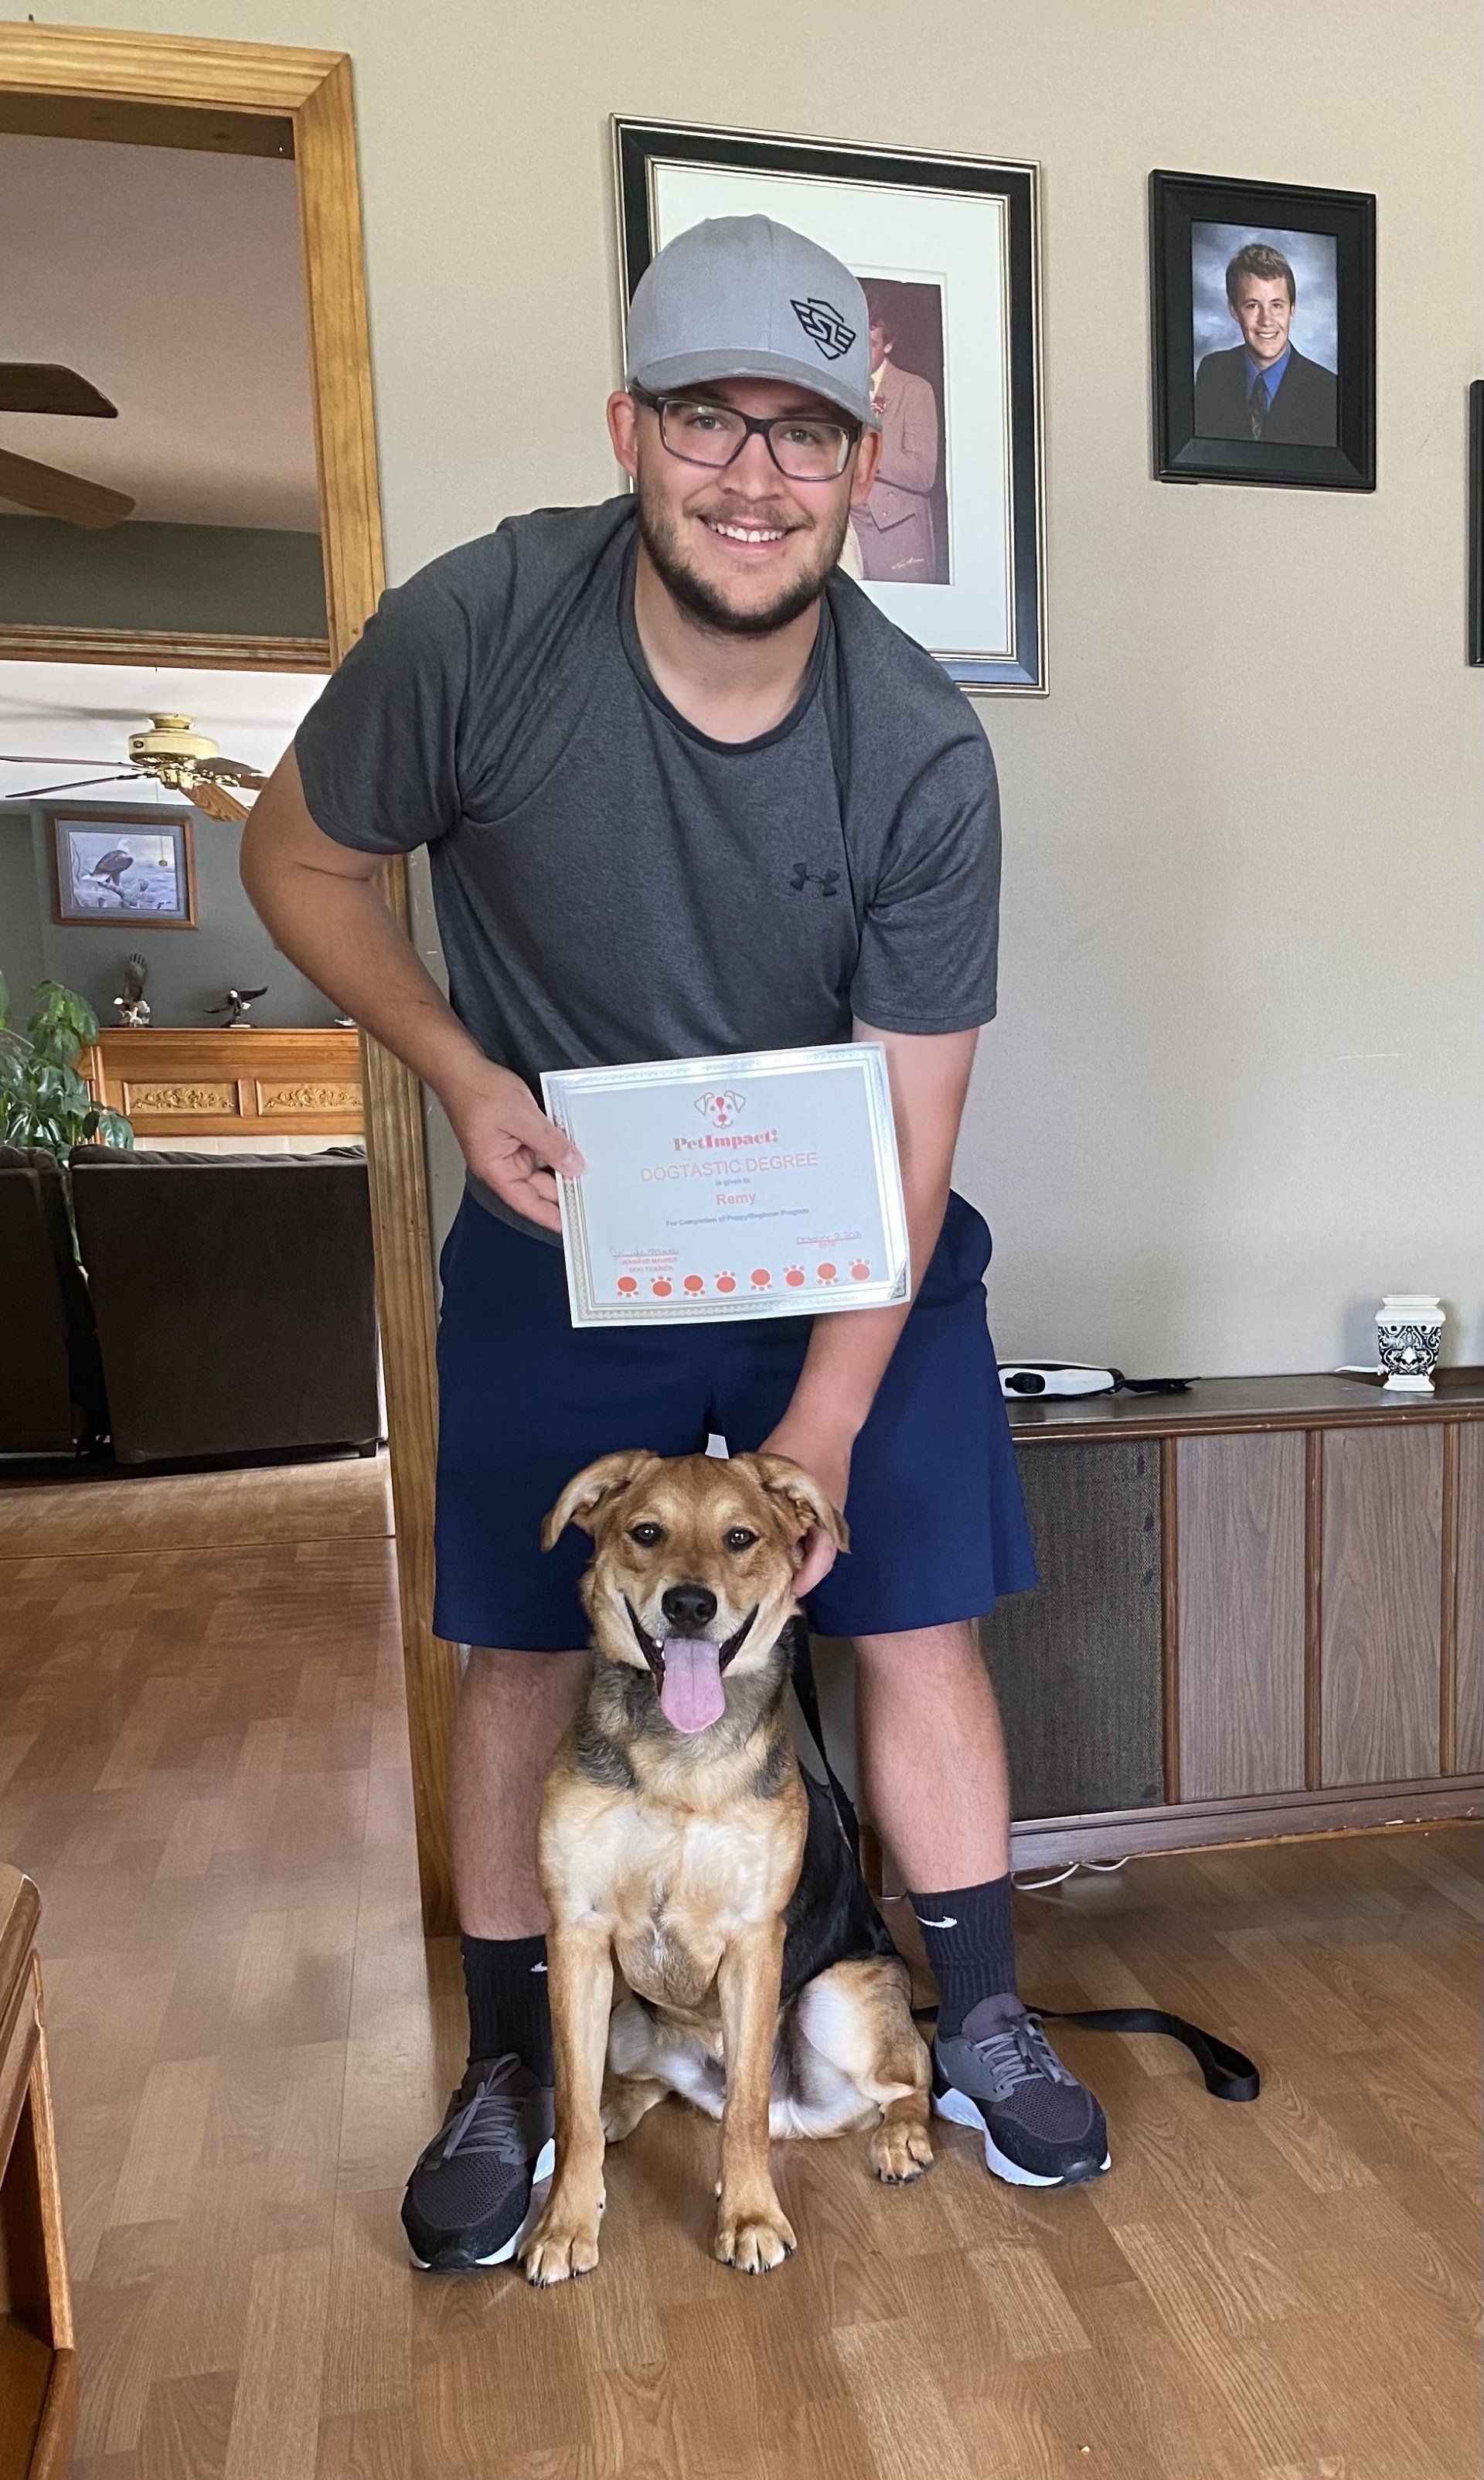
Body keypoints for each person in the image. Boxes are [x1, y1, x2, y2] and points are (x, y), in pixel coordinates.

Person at [240, 213, 1109, 2276]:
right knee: (527, 1640)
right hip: (569, 1217)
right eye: (708, 419)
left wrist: (816, 1439)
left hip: (854, 1239)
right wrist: (463, 1073)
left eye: (804, 433)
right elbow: (295, 856)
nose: (754, 474)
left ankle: (979, 2021)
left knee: (910, 1613)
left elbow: (913, 1129)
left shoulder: (918, 747)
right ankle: (509, 2068)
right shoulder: (478, 629)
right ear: (627, 428)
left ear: (861, 466)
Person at [1194, 240, 1338, 447]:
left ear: (1292, 309)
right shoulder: (1213, 372)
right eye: (1252, 306)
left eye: (1277, 305)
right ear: (1233, 310)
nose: (1266, 320)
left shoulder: (1327, 390)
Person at [849, 283, 943, 582]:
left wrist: (864, 451)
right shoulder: (838, 389)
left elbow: (922, 473)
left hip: (895, 533)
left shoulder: (914, 390)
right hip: (845, 529)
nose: (859, 354)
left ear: (888, 345)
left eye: (870, 344)